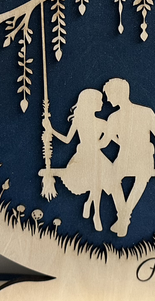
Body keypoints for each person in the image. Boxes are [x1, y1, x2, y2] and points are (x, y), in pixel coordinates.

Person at [101, 78, 155, 237]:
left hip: (136, 158)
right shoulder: (145, 112)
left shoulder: (116, 117)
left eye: (109, 95)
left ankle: (123, 218)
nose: (107, 99)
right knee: (122, 180)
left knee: (116, 180)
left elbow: (104, 143)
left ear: (119, 94)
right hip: (134, 158)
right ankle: (124, 218)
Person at [46, 89, 122, 232]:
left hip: (97, 155)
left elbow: (114, 140)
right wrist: (51, 130)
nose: (102, 103)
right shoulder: (79, 121)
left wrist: (128, 143)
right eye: (99, 100)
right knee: (96, 179)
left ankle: (91, 207)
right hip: (83, 156)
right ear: (90, 103)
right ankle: (96, 214)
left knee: (99, 179)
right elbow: (67, 140)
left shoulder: (102, 123)